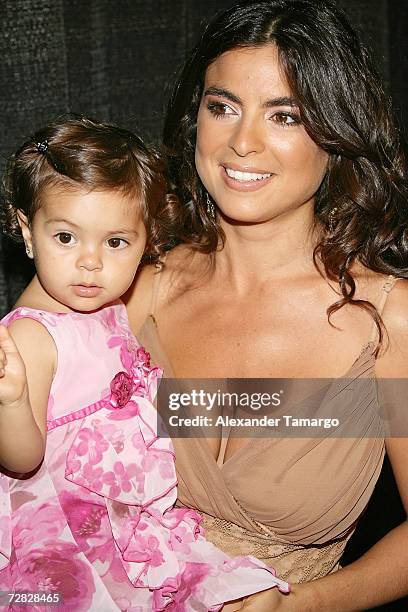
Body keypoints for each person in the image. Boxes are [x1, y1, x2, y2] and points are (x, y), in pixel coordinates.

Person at [125, 0, 408, 609]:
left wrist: (301, 604)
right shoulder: (140, 285)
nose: (242, 142)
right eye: (221, 107)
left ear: (337, 136)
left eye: (285, 116)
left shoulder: (389, 322)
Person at [0, 116, 289, 611]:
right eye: (66, 238)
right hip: (63, 530)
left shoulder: (108, 304)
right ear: (27, 231)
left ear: (146, 240)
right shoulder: (30, 335)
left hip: (122, 513)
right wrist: (9, 399)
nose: (91, 262)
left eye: (115, 242)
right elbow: (22, 460)